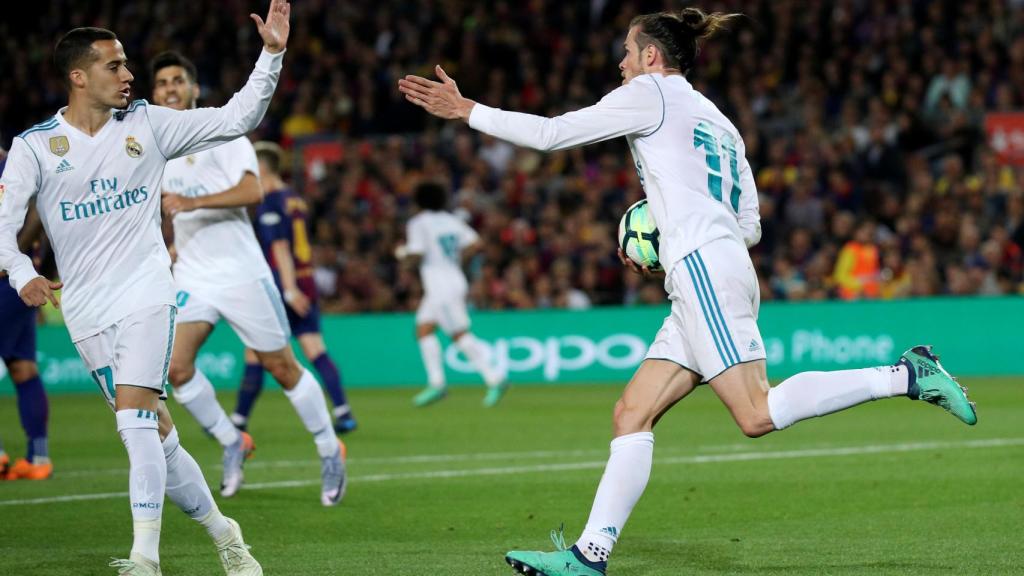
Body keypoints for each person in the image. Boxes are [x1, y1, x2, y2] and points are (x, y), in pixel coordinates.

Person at [398, 8, 977, 576]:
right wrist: (672, 236)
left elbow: (553, 134)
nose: (620, 63)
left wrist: (467, 110)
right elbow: (749, 225)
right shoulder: (721, 123)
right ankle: (587, 556)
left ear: (652, 56)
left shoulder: (651, 92)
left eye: (627, 51)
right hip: (714, 267)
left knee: (755, 413)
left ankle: (906, 374)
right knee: (631, 412)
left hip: (702, 269)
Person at [0, 2, 293, 573]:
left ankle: (144, 558)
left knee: (133, 420)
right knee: (156, 434)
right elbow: (3, 229)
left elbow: (239, 118)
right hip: (85, 307)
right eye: (114, 66)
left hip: (147, 292)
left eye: (127, 63)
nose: (128, 74)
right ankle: (225, 533)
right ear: (79, 76)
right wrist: (23, 273)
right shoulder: (35, 146)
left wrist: (272, 54)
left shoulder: (150, 126)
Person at [153, 52, 346, 503]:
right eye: (161, 83)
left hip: (241, 273)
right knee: (176, 370)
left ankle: (328, 447)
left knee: (282, 367)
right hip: (192, 276)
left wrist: (192, 203)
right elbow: (159, 209)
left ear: (194, 88)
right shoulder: (158, 147)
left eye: (178, 80)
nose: (170, 89)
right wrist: (169, 244)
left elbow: (252, 189)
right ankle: (231, 440)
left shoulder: (222, 130)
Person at [229, 140, 357, 434]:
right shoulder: (295, 199)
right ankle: (343, 411)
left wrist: (288, 289)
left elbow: (281, 246)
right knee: (314, 347)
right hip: (307, 278)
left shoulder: (271, 201)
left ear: (261, 167)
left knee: (254, 350)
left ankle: (238, 420)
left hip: (282, 284)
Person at [394, 182, 507, 407]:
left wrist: (402, 255)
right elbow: (476, 242)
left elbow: (417, 254)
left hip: (440, 285)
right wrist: (455, 259)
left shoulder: (419, 223)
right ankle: (437, 384)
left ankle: (495, 378)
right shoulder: (452, 220)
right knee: (424, 328)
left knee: (458, 334)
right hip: (452, 278)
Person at [0, 154, 52, 481]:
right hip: (19, 280)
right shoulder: (15, 160)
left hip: (7, 278)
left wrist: (10, 259)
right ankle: (38, 457)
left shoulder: (10, 164)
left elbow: (37, 211)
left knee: (22, 368)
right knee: (22, 367)